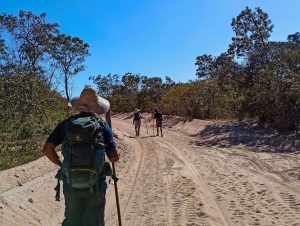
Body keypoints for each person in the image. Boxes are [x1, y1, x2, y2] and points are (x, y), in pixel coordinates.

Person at [42, 87, 119, 226]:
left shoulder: (66, 124)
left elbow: (47, 149)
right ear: (97, 107)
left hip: (71, 183)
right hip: (96, 183)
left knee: (73, 219)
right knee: (94, 221)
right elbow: (114, 157)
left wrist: (62, 166)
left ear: (79, 107)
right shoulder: (102, 125)